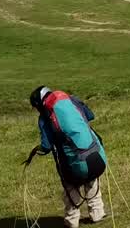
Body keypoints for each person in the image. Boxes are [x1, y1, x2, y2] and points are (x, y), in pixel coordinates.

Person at [25, 86, 107, 228]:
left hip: (76, 165)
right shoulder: (72, 100)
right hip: (97, 157)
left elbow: (46, 146)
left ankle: (72, 221)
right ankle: (98, 213)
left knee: (71, 186)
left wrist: (36, 150)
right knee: (92, 181)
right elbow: (90, 115)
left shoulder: (45, 115)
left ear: (39, 104)